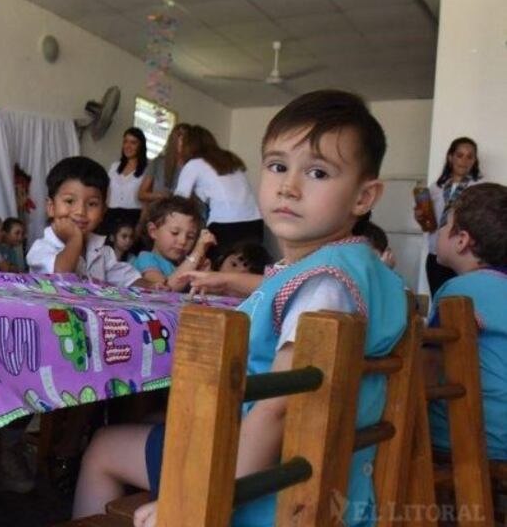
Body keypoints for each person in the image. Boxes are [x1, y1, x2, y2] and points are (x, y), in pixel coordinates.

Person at [72, 90, 407, 527]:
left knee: (103, 447)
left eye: (318, 172)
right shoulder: (360, 271)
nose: (289, 186)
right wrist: (231, 281)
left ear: (364, 197)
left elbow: (277, 409)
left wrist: (201, 499)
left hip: (269, 486)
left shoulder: (322, 285)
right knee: (164, 416)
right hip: (332, 477)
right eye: (278, 166)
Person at [424, 183, 507, 462]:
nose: (439, 231)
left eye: (444, 224)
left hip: (471, 439)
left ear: (462, 240)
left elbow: (429, 364)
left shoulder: (459, 291)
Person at [27, 156, 155, 287]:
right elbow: (60, 275)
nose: (80, 211)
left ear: (103, 212)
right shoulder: (41, 249)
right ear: (51, 207)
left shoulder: (102, 252)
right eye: (69, 201)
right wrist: (74, 239)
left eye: (92, 204)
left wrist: (152, 286)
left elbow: (127, 279)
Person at [174, 124, 263, 255]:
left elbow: (178, 203)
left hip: (225, 225)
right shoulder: (230, 160)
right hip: (255, 223)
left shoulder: (194, 164)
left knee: (215, 265)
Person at [415, 137, 481, 295]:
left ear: (474, 161)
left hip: (464, 256)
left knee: (461, 302)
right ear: (450, 157)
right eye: (459, 155)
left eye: (470, 157)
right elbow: (428, 225)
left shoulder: (478, 188)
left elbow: (481, 223)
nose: (464, 161)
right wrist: (420, 217)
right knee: (438, 300)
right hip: (436, 256)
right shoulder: (436, 188)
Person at [132, 196, 215, 290]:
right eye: (174, 233)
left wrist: (205, 275)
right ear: (153, 231)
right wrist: (196, 254)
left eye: (190, 236)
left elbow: (215, 291)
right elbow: (165, 289)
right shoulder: (146, 258)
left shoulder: (186, 263)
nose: (183, 241)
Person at [101, 128, 147, 235]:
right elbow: (107, 193)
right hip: (111, 215)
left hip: (133, 217)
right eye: (125, 141)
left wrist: (140, 225)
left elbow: (146, 202)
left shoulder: (147, 169)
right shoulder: (115, 166)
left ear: (141, 145)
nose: (128, 146)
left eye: (133, 143)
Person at [137, 123, 190, 205]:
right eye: (182, 139)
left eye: (188, 140)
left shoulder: (193, 165)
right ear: (174, 140)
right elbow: (141, 194)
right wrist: (160, 195)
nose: (186, 143)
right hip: (159, 210)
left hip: (182, 211)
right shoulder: (157, 163)